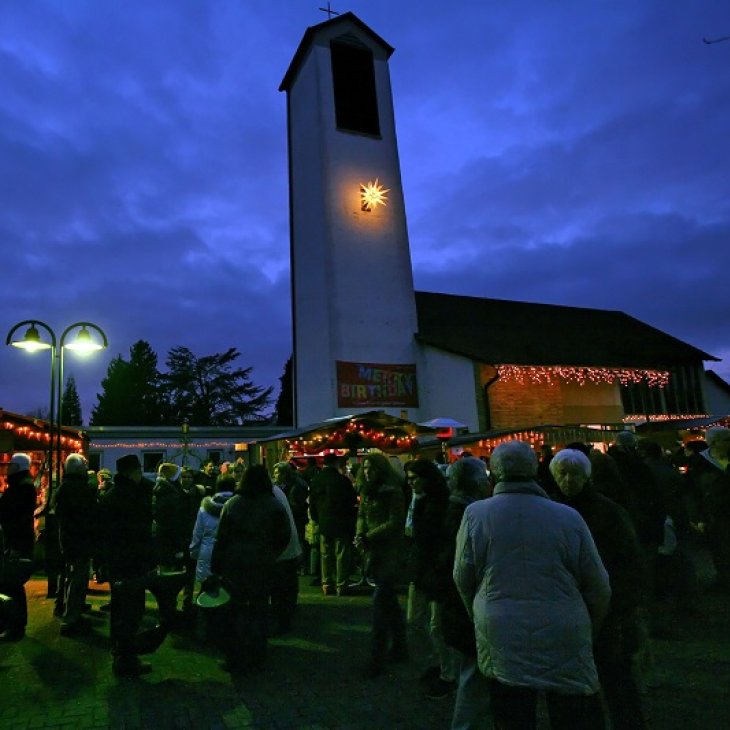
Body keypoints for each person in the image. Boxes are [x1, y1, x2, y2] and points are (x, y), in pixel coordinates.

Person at [454, 440, 611, 730]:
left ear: (493, 471)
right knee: (571, 711)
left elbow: (463, 577)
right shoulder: (567, 516)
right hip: (564, 624)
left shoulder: (476, 514)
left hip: (500, 626)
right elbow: (598, 584)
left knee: (512, 712)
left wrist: (478, 615)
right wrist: (592, 626)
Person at [550, 448, 647, 730]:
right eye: (562, 474)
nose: (568, 480)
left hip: (605, 605)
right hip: (578, 603)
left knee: (614, 675)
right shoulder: (565, 510)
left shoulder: (604, 511)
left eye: (574, 474)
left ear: (586, 476)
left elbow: (628, 560)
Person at [209, 464, 290, 674]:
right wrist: (270, 554)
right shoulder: (273, 505)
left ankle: (234, 657)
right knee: (259, 610)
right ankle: (257, 655)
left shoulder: (233, 504)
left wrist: (216, 565)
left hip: (234, 565)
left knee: (235, 611)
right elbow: (284, 536)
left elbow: (221, 538)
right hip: (262, 565)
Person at [99, 454, 175, 676]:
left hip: (122, 564)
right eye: (138, 470)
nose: (141, 473)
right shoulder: (127, 498)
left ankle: (122, 653)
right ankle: (125, 658)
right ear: (129, 472)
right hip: (131, 563)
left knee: (123, 611)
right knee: (129, 612)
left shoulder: (115, 496)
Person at [439, 456, 492, 729]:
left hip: (459, 607)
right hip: (465, 608)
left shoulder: (457, 510)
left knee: (471, 673)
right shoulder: (466, 514)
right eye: (484, 478)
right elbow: (460, 570)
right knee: (473, 675)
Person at [403, 458, 456, 701]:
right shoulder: (418, 500)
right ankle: (437, 663)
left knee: (437, 625)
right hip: (420, 568)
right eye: (409, 478)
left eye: (414, 478)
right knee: (415, 620)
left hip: (435, 571)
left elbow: (434, 537)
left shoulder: (439, 503)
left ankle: (447, 673)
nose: (410, 483)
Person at [354, 453, 408, 678]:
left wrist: (369, 536)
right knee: (390, 604)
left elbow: (395, 522)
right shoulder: (368, 491)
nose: (368, 472)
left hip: (389, 551)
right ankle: (399, 646)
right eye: (365, 468)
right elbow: (362, 515)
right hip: (374, 550)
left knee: (380, 604)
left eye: (372, 468)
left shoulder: (392, 492)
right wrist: (359, 534)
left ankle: (376, 657)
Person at [54, 453, 98, 635]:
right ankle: (72, 616)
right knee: (77, 579)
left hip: (68, 540)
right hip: (78, 541)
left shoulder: (64, 488)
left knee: (69, 576)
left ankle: (65, 607)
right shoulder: (79, 489)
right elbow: (88, 515)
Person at [685, 426, 730, 592]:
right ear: (715, 442)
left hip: (718, 511)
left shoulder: (701, 463)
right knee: (719, 548)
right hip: (714, 514)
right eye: (727, 440)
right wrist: (697, 516)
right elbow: (693, 492)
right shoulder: (699, 463)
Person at [0, 453, 37, 641]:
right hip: (20, 542)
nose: (7, 468)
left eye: (11, 465)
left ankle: (14, 626)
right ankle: (16, 625)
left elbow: (7, 514)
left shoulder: (18, 490)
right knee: (13, 585)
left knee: (11, 585)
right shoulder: (24, 487)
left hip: (16, 544)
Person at [310, 453, 358, 596]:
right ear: (336, 463)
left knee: (325, 554)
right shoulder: (342, 480)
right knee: (341, 553)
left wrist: (316, 518)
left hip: (324, 521)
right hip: (341, 521)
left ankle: (326, 583)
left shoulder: (316, 480)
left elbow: (312, 502)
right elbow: (351, 500)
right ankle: (341, 584)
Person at [270, 476, 303, 634]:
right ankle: (285, 621)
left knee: (281, 591)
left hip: (283, 551)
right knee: (287, 590)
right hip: (290, 549)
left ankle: (281, 624)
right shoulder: (276, 491)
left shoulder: (271, 496)